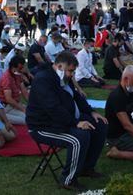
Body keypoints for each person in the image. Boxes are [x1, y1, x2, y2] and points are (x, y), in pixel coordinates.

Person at [27, 51, 108, 190]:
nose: (72, 74)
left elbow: (76, 97)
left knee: (100, 125)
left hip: (63, 119)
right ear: (59, 66)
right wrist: (76, 123)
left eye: (73, 71)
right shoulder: (43, 80)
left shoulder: (64, 77)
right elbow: (53, 108)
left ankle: (85, 168)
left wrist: (91, 112)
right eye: (70, 71)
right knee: (79, 137)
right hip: (43, 125)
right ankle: (68, 180)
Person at [0, 56, 28, 125]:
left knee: (33, 113)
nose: (22, 70)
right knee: (27, 119)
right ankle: (2, 117)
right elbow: (9, 99)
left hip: (15, 104)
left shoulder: (17, 74)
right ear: (13, 67)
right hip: (7, 107)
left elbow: (24, 91)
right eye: (20, 68)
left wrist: (30, 104)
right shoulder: (6, 78)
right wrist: (23, 109)